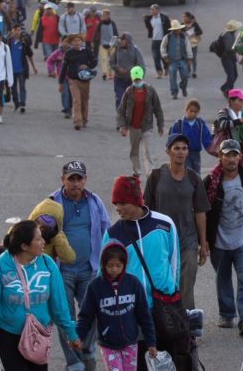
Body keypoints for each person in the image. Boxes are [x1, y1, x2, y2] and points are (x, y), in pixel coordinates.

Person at [0, 220, 82, 369]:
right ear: (24, 246)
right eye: (38, 238)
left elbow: (59, 304)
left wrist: (71, 332)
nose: (43, 242)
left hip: (39, 335)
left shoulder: (47, 264)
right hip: (8, 336)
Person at [102, 175, 181, 363]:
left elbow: (174, 263)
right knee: (138, 361)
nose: (118, 208)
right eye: (115, 203)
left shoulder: (165, 224)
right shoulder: (113, 234)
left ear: (135, 200)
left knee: (167, 360)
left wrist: (174, 292)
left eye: (122, 203)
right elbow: (103, 275)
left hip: (163, 306)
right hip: (130, 310)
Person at [50, 160, 114, 371]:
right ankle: (74, 362)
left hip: (89, 270)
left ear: (85, 179)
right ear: (63, 180)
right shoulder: (52, 203)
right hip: (62, 272)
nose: (76, 183)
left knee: (93, 313)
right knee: (65, 318)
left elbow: (106, 230)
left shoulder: (94, 201)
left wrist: (107, 263)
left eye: (79, 179)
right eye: (71, 179)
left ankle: (86, 350)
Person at [204, 139, 243, 337]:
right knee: (222, 277)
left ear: (240, 157)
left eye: (234, 154)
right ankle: (227, 313)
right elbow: (203, 213)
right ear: (220, 157)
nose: (231, 159)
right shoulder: (211, 181)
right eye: (227, 155)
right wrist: (204, 240)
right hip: (220, 241)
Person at [143, 133, 211, 311]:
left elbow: (200, 212)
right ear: (168, 151)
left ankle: (188, 330)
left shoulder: (194, 179)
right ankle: (164, 327)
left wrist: (203, 245)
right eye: (176, 148)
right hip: (161, 242)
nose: (181, 152)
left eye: (184, 148)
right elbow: (145, 211)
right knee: (161, 285)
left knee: (186, 288)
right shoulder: (156, 177)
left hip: (187, 242)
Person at [76, 242, 158, 371]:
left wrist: (151, 342)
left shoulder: (133, 284)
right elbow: (85, 316)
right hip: (108, 344)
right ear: (103, 265)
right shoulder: (95, 287)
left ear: (124, 265)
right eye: (110, 265)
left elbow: (144, 315)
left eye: (118, 265)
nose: (114, 269)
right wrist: (78, 336)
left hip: (130, 342)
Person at [117, 66, 164, 177]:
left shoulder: (150, 91)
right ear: (132, 79)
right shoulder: (129, 92)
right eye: (135, 80)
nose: (137, 82)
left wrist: (160, 125)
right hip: (133, 127)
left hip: (147, 126)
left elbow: (158, 108)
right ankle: (136, 171)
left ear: (142, 77)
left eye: (139, 79)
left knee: (149, 151)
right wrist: (122, 126)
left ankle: (150, 172)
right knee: (134, 151)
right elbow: (121, 110)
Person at [60, 34, 96, 130]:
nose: (77, 43)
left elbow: (94, 61)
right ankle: (77, 122)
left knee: (84, 101)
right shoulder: (68, 54)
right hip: (73, 80)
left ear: (81, 41)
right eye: (74, 41)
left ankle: (84, 119)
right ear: (71, 43)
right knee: (76, 101)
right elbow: (63, 69)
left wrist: (87, 65)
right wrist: (60, 83)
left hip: (85, 80)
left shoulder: (87, 51)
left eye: (78, 40)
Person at [215, 88, 243, 164]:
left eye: (242, 101)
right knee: (231, 170)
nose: (242, 103)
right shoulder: (223, 112)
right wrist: (239, 121)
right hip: (230, 150)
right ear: (231, 101)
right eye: (240, 100)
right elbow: (223, 125)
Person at [168, 99, 212, 174]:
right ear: (186, 110)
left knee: (197, 174)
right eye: (191, 111)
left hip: (196, 153)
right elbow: (172, 139)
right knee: (186, 172)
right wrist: (169, 149)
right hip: (183, 153)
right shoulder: (179, 124)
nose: (193, 113)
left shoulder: (200, 124)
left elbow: (206, 137)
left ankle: (196, 186)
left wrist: (212, 148)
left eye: (195, 112)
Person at [29, 198, 76, 264]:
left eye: (46, 227)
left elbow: (69, 258)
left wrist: (58, 238)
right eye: (38, 222)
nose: (40, 229)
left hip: (45, 272)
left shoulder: (56, 237)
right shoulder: (21, 231)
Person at [108, 32, 146, 110]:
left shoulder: (135, 50)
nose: (120, 41)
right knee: (120, 97)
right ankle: (120, 116)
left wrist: (138, 76)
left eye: (122, 39)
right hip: (119, 79)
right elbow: (111, 62)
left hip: (131, 80)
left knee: (131, 99)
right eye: (120, 39)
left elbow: (141, 65)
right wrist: (118, 69)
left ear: (128, 40)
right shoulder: (117, 49)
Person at [160, 19, 193, 99]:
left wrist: (189, 59)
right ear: (173, 30)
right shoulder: (167, 37)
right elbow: (162, 47)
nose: (178, 30)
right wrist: (165, 56)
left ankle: (183, 86)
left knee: (185, 75)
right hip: (172, 61)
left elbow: (188, 47)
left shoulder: (183, 37)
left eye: (178, 29)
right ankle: (174, 92)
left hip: (182, 60)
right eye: (176, 29)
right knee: (172, 77)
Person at [8, 24, 37, 113]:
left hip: (22, 70)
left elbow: (30, 55)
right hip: (11, 70)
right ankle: (16, 104)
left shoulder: (24, 43)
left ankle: (22, 104)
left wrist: (34, 67)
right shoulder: (9, 43)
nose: (18, 32)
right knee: (13, 89)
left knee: (22, 87)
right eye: (16, 30)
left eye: (19, 30)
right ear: (13, 31)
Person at [143, 4, 169, 78]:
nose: (151, 11)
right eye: (151, 9)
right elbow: (149, 27)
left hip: (163, 40)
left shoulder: (164, 18)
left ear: (158, 10)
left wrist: (168, 38)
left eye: (153, 9)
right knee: (155, 57)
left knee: (163, 56)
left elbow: (169, 28)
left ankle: (166, 67)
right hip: (154, 40)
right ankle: (159, 72)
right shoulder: (149, 19)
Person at [92, 9, 119, 81]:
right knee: (104, 59)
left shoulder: (112, 23)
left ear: (108, 15)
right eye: (102, 15)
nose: (102, 17)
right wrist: (93, 42)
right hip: (102, 44)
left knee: (112, 60)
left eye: (104, 15)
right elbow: (96, 33)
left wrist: (117, 43)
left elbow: (116, 34)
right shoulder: (100, 24)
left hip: (112, 45)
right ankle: (104, 73)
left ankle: (111, 73)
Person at [49, 37, 73, 118]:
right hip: (62, 77)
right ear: (61, 42)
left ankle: (71, 107)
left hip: (72, 77)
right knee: (64, 93)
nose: (66, 43)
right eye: (64, 41)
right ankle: (67, 109)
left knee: (72, 94)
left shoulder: (73, 51)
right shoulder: (58, 52)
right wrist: (51, 70)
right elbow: (49, 61)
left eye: (67, 41)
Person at [217, 20, 242, 95]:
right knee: (231, 75)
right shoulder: (228, 36)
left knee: (234, 75)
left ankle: (225, 87)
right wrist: (236, 48)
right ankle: (229, 92)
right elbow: (228, 48)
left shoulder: (229, 34)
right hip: (227, 58)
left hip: (230, 58)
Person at [182, 12, 202, 79]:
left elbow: (200, 31)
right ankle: (188, 71)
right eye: (183, 17)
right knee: (187, 58)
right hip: (185, 44)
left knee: (193, 58)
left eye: (185, 17)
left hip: (193, 43)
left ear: (188, 17)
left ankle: (194, 72)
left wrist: (194, 33)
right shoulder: (182, 24)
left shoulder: (195, 24)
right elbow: (179, 33)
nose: (183, 18)